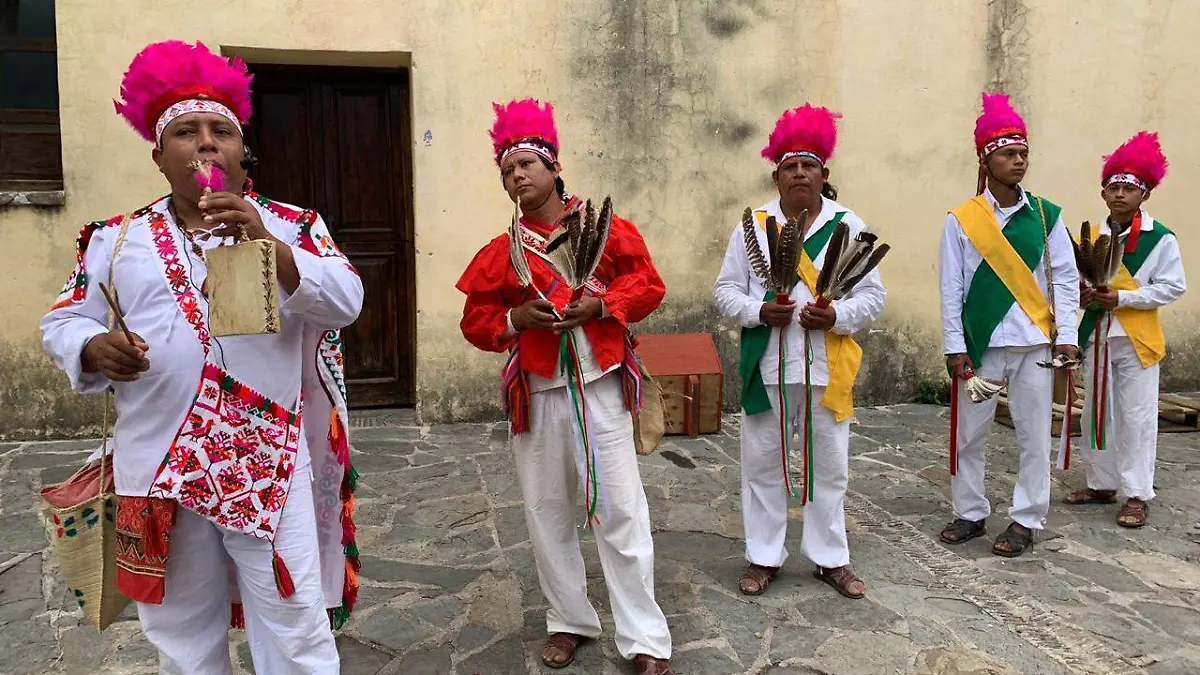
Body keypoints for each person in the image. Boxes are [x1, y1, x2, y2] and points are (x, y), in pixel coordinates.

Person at [41, 40, 363, 674]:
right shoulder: (116, 238)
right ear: (161, 156)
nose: (206, 143)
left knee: (294, 624)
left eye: (221, 131)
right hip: (157, 461)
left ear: (242, 150)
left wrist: (269, 245)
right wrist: (92, 346)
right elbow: (65, 319)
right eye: (186, 132)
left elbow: (346, 299)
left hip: (265, 460)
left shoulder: (295, 224)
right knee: (181, 632)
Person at [456, 99, 674, 675]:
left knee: (620, 511)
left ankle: (645, 637)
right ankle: (569, 620)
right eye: (507, 169)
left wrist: (603, 303)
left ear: (554, 168)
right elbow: (476, 321)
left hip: (601, 387)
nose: (517, 175)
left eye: (527, 163)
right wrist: (513, 322)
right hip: (540, 393)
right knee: (546, 512)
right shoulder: (503, 251)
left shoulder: (601, 229)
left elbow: (648, 284)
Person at [713, 104, 885, 600]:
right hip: (765, 364)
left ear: (823, 173)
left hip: (827, 368)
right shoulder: (754, 223)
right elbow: (726, 291)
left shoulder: (849, 223)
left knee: (829, 466)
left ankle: (830, 558)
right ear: (777, 175)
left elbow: (873, 296)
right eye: (790, 166)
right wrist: (758, 312)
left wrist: (837, 317)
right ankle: (763, 555)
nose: (799, 173)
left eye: (808, 165)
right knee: (763, 463)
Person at [938, 92, 1080, 557]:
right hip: (981, 344)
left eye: (1023, 153)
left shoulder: (1045, 215)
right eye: (1008, 153)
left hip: (1035, 344)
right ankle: (970, 512)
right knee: (968, 434)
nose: (1018, 161)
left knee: (1033, 434)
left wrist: (1069, 337)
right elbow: (951, 286)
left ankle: (1026, 518)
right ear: (987, 159)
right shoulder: (962, 219)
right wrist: (954, 345)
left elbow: (1064, 278)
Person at [1064, 131, 1186, 528]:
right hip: (1098, 334)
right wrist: (1082, 297)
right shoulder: (1093, 237)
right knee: (1095, 412)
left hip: (1137, 338)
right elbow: (1075, 283)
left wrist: (1125, 299)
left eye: (1128, 188)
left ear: (1144, 195)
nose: (1118, 194)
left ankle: (1136, 493)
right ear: (1103, 194)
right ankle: (1101, 483)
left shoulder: (1160, 238)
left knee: (1137, 415)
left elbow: (1173, 286)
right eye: (1112, 186)